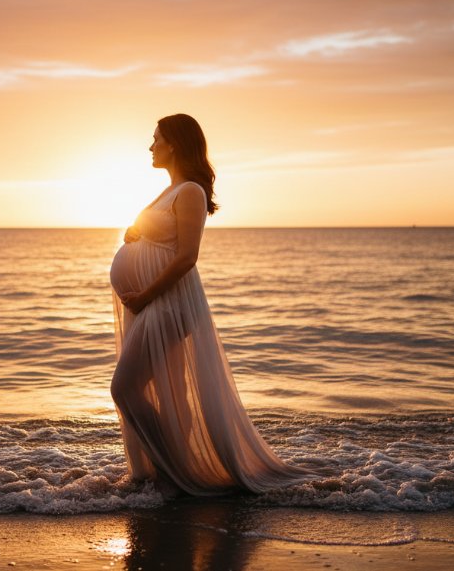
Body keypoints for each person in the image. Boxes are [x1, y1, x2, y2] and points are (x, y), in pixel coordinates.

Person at [109, 113, 316, 496]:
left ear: (174, 144)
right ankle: (170, 469)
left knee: (124, 387)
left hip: (168, 303)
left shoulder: (190, 191)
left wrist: (145, 295)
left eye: (156, 138)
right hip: (152, 303)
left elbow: (187, 257)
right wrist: (134, 233)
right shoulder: (168, 191)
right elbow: (158, 237)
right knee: (170, 392)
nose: (151, 146)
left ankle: (173, 471)